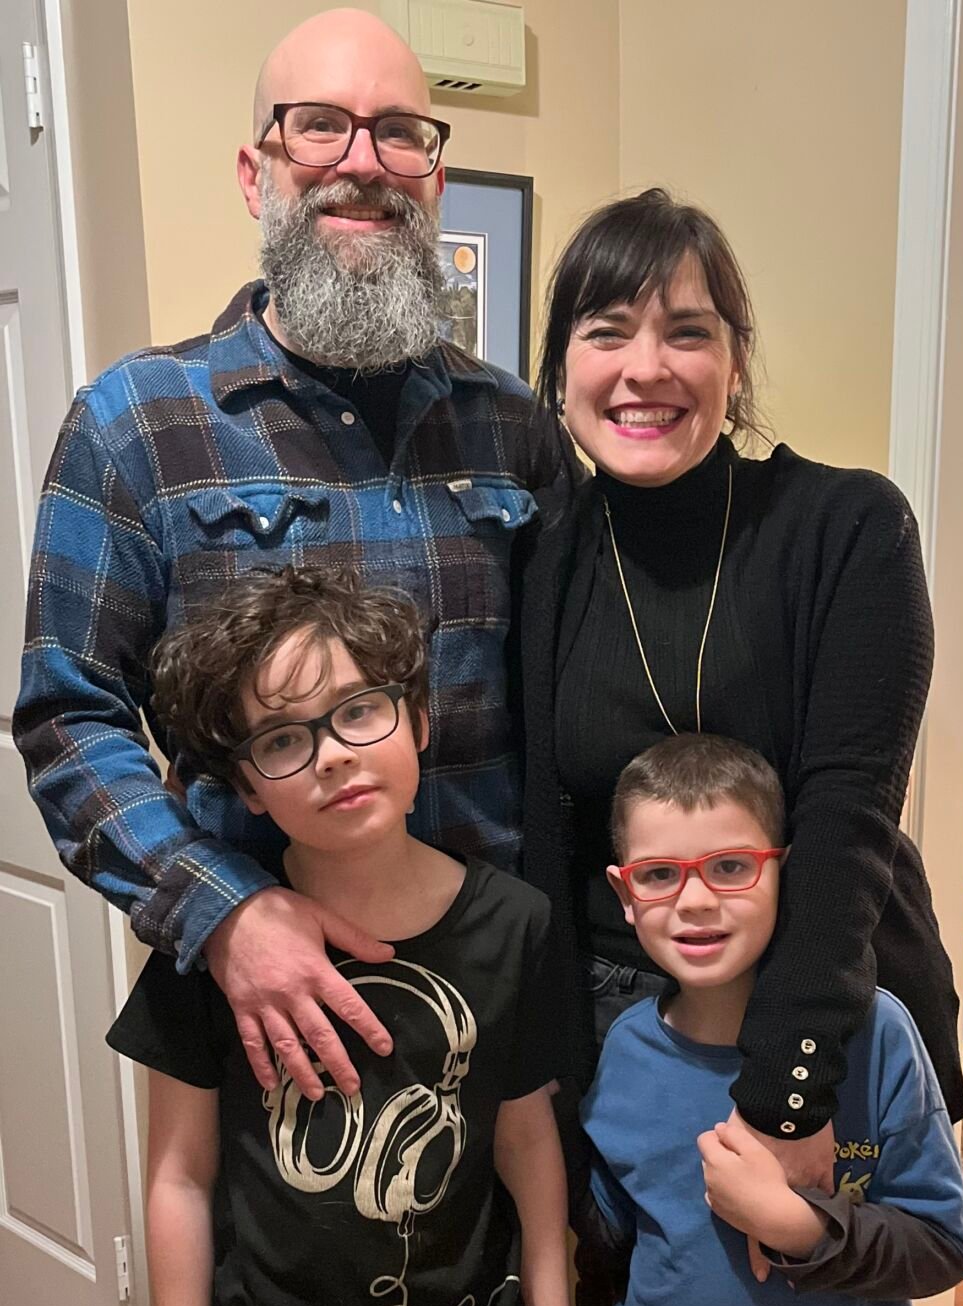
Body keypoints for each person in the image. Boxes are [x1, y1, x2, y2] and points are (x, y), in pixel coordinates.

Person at [14, 7, 561, 1106]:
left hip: (503, 1013)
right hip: (273, 1024)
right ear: (254, 173)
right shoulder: (135, 423)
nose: (362, 165)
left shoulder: (513, 427)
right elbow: (67, 717)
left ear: (435, 181)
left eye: (398, 133)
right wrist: (224, 911)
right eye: (318, 127)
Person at [517, 185, 963, 1306]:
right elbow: (548, 837)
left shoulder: (844, 526)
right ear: (559, 369)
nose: (645, 367)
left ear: (736, 358)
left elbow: (846, 819)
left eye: (688, 330)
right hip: (622, 1037)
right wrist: (555, 1085)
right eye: (606, 330)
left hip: (826, 1003)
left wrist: (790, 1096)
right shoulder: (547, 551)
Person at [107, 565, 569, 1306]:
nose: (331, 753)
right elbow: (181, 1178)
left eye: (361, 710)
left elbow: (527, 1142)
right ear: (245, 786)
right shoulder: (204, 954)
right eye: (283, 737)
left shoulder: (517, 923)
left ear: (421, 720)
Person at [580, 732, 963, 1306]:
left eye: (730, 867)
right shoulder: (624, 1052)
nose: (695, 900)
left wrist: (797, 1225)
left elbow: (943, 1247)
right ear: (624, 894)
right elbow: (619, 1239)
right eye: (659, 873)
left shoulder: (876, 1035)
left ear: (784, 873)